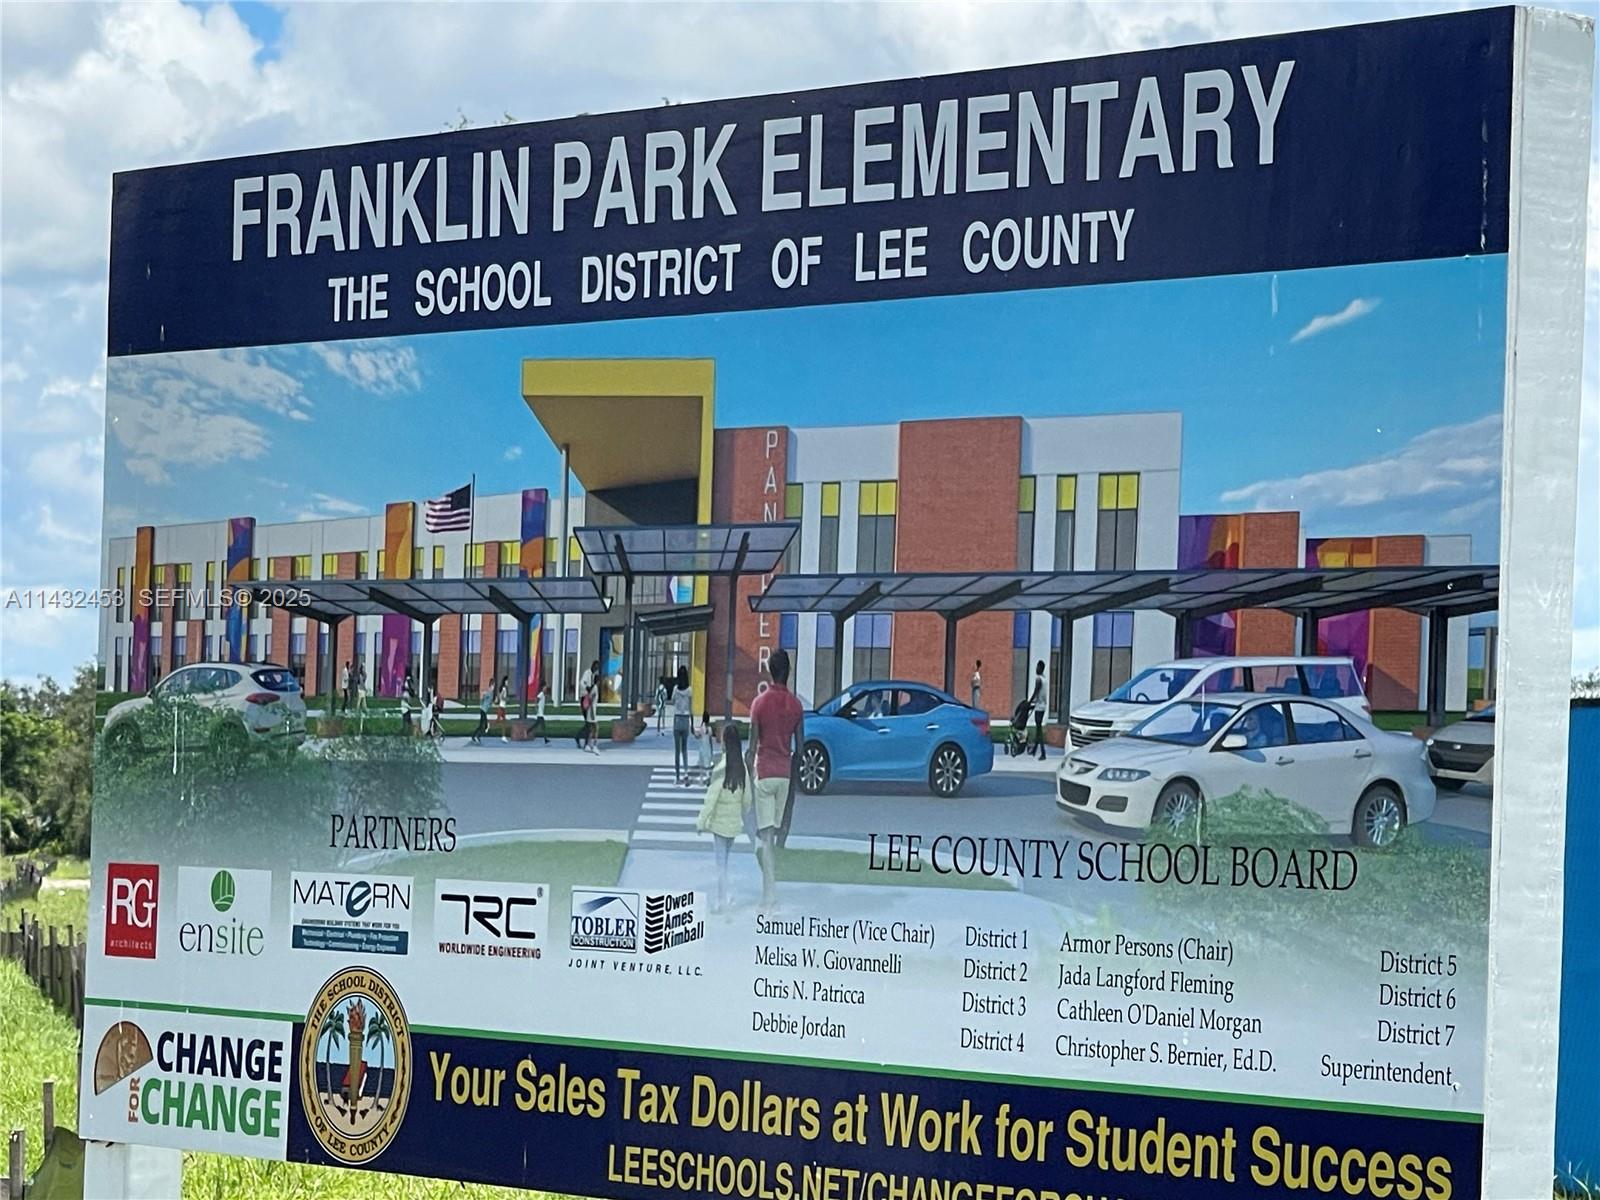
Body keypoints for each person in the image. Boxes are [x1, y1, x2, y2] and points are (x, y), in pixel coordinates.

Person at [747, 648, 804, 909]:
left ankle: (768, 895)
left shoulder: (759, 703)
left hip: (765, 773)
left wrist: (747, 775)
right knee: (776, 836)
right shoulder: (796, 705)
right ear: (788, 672)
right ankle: (772, 890)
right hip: (784, 774)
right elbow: (801, 748)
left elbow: (751, 747)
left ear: (770, 671)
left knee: (766, 838)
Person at [696, 721, 753, 912]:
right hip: (734, 825)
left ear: (725, 743)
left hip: (720, 824)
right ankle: (726, 897)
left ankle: (722, 901)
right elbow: (747, 798)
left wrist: (701, 821)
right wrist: (740, 813)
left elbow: (711, 797)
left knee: (721, 866)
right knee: (725, 862)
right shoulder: (742, 767)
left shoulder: (721, 766)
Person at [670, 666, 694, 784]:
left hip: (677, 719)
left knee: (677, 750)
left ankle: (677, 776)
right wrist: (693, 724)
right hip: (686, 719)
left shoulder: (676, 689)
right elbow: (691, 708)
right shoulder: (689, 690)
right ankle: (685, 772)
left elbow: (672, 701)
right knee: (684, 749)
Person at [1028, 660, 1048, 760]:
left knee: (1039, 729)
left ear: (1040, 668)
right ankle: (1034, 750)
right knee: (1038, 728)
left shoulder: (1039, 679)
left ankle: (1043, 753)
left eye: (1037, 667)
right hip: (1043, 705)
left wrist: (1029, 702)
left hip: (1039, 706)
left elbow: (1036, 692)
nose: (1036, 669)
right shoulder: (1044, 679)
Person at [692, 710, 715, 785]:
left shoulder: (702, 728)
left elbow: (697, 736)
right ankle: (708, 778)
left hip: (702, 748)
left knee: (701, 766)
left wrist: (693, 730)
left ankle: (701, 781)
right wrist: (712, 750)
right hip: (708, 748)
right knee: (708, 766)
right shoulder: (710, 728)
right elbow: (711, 741)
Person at [494, 675, 509, 741]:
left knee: (503, 722)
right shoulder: (504, 688)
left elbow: (499, 695)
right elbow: (501, 697)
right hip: (501, 707)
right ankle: (488, 725)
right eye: (507, 681)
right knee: (498, 721)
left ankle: (503, 736)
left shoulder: (503, 688)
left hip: (503, 707)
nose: (508, 682)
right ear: (505, 681)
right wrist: (506, 699)